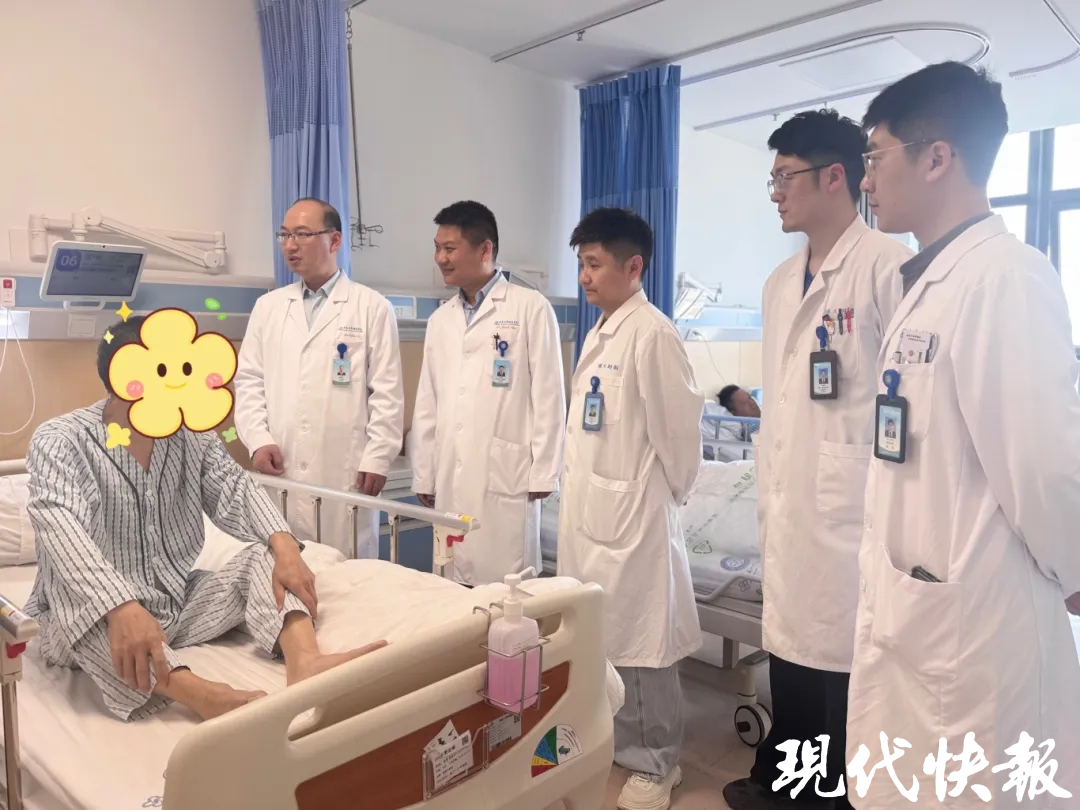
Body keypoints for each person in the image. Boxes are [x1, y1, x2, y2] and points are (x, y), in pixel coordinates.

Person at [851, 61, 1080, 807]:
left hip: (975, 626)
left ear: (938, 157)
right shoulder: (928, 282)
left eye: (875, 156)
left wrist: (1077, 572)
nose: (866, 179)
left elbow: (1044, 463)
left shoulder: (1006, 277)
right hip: (923, 607)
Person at [23, 317, 386, 722]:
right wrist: (120, 606)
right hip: (86, 622)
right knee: (86, 609)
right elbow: (61, 529)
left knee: (268, 555)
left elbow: (234, 487)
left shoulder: (192, 435)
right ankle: (199, 693)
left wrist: (284, 546)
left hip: (176, 605)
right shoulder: (61, 440)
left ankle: (305, 663)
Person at [723, 109, 911, 810]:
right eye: (771, 179)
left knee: (844, 668)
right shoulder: (779, 283)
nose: (775, 192)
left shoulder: (888, 267)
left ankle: (836, 795)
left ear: (836, 177)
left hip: (853, 509)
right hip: (792, 499)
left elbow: (906, 402)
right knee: (793, 656)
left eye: (785, 176)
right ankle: (786, 781)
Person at [558, 207, 703, 810]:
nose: (584, 277)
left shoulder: (653, 334)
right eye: (581, 264)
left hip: (634, 519)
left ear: (633, 265)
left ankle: (658, 763)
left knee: (643, 647)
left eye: (594, 264)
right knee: (606, 639)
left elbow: (680, 437)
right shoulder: (602, 331)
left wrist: (661, 496)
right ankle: (618, 743)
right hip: (595, 514)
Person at [234, 198, 404, 558]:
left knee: (349, 577)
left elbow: (387, 394)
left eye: (301, 234)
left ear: (335, 240)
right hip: (282, 472)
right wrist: (258, 440)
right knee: (285, 571)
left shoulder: (372, 307)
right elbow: (248, 381)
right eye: (284, 235)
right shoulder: (269, 307)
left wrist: (377, 457)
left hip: (344, 472)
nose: (290, 245)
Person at [410, 201, 566, 586]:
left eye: (450, 248)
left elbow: (549, 395)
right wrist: (424, 473)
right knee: (451, 586)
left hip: (507, 476)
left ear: (485, 249)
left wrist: (544, 471)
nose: (440, 258)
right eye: (437, 248)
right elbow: (428, 402)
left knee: (506, 593)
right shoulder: (441, 319)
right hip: (450, 473)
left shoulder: (530, 308)